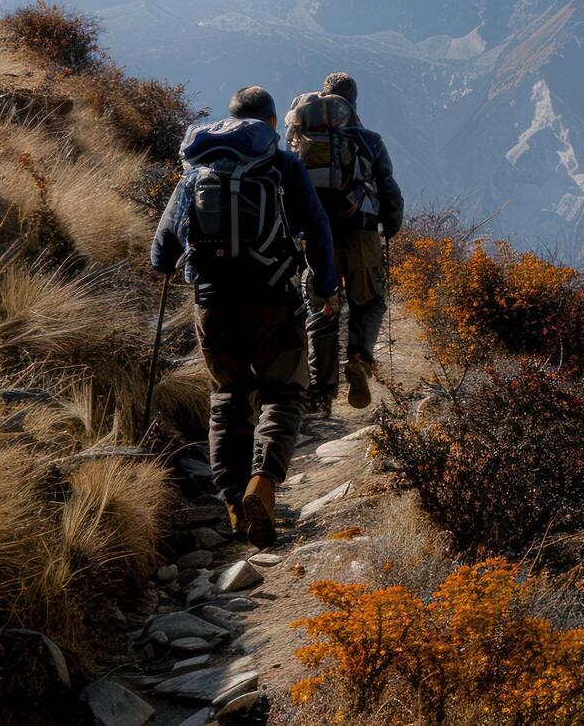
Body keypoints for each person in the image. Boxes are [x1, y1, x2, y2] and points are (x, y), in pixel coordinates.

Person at [151, 87, 339, 549]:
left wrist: (178, 264)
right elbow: (316, 227)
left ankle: (234, 503)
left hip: (212, 303)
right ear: (272, 122)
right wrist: (326, 285)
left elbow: (161, 251)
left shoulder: (196, 169)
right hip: (273, 298)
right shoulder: (281, 163)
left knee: (227, 399)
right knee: (283, 394)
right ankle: (264, 485)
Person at [295, 71, 404, 415]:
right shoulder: (369, 140)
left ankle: (321, 392)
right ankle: (358, 358)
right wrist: (389, 226)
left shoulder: (302, 139)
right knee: (369, 301)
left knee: (322, 308)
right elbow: (389, 190)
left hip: (316, 237)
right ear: (353, 102)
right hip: (361, 234)